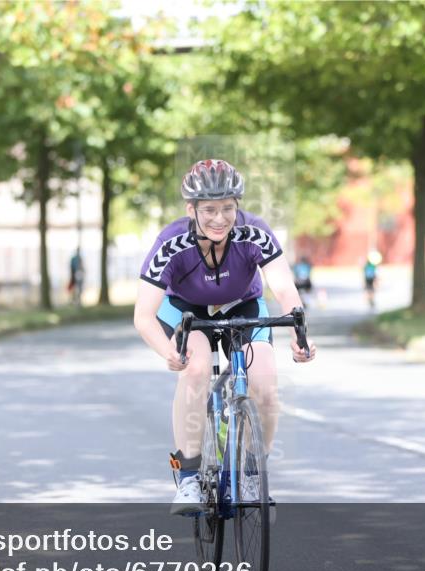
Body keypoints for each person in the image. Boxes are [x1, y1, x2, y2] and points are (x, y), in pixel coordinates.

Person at [133, 159, 317, 515]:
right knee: (197, 369)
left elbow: (283, 288)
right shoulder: (171, 243)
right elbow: (143, 316)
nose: (220, 219)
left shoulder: (255, 232)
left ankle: (252, 471)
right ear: (192, 209)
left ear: (238, 206)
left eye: (228, 209)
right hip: (186, 309)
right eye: (210, 210)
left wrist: (300, 334)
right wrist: (167, 352)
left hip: (243, 304)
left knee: (264, 381)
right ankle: (188, 477)